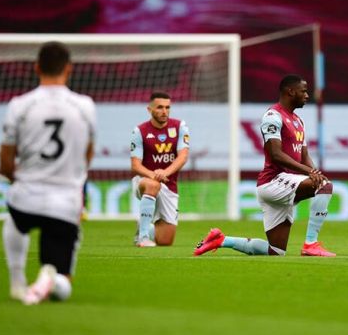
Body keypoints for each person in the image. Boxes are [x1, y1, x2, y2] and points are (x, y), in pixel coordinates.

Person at [194, 74, 335, 257]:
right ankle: (310, 243)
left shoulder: (299, 121)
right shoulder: (273, 116)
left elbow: (304, 155)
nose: (307, 95)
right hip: (274, 181)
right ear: (290, 91)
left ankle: (221, 240)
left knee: (275, 251)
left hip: (286, 183)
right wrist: (310, 173)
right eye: (304, 91)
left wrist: (315, 172)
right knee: (325, 186)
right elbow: (276, 155)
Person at [0, 41, 96, 305]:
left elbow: (5, 163)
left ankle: (17, 280)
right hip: (65, 203)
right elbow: (87, 154)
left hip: (26, 197)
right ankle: (50, 274)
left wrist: (23, 178)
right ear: (69, 69)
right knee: (63, 282)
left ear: (37, 67)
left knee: (14, 220)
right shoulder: (85, 106)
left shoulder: (19, 105)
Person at [131, 91, 190, 247]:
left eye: (167, 107)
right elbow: (136, 165)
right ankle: (143, 238)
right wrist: (153, 175)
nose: (164, 111)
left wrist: (165, 173)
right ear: (149, 110)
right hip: (144, 180)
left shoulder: (180, 127)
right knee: (152, 185)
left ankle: (145, 227)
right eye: (159, 107)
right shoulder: (139, 131)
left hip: (169, 184)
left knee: (165, 241)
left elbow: (183, 156)